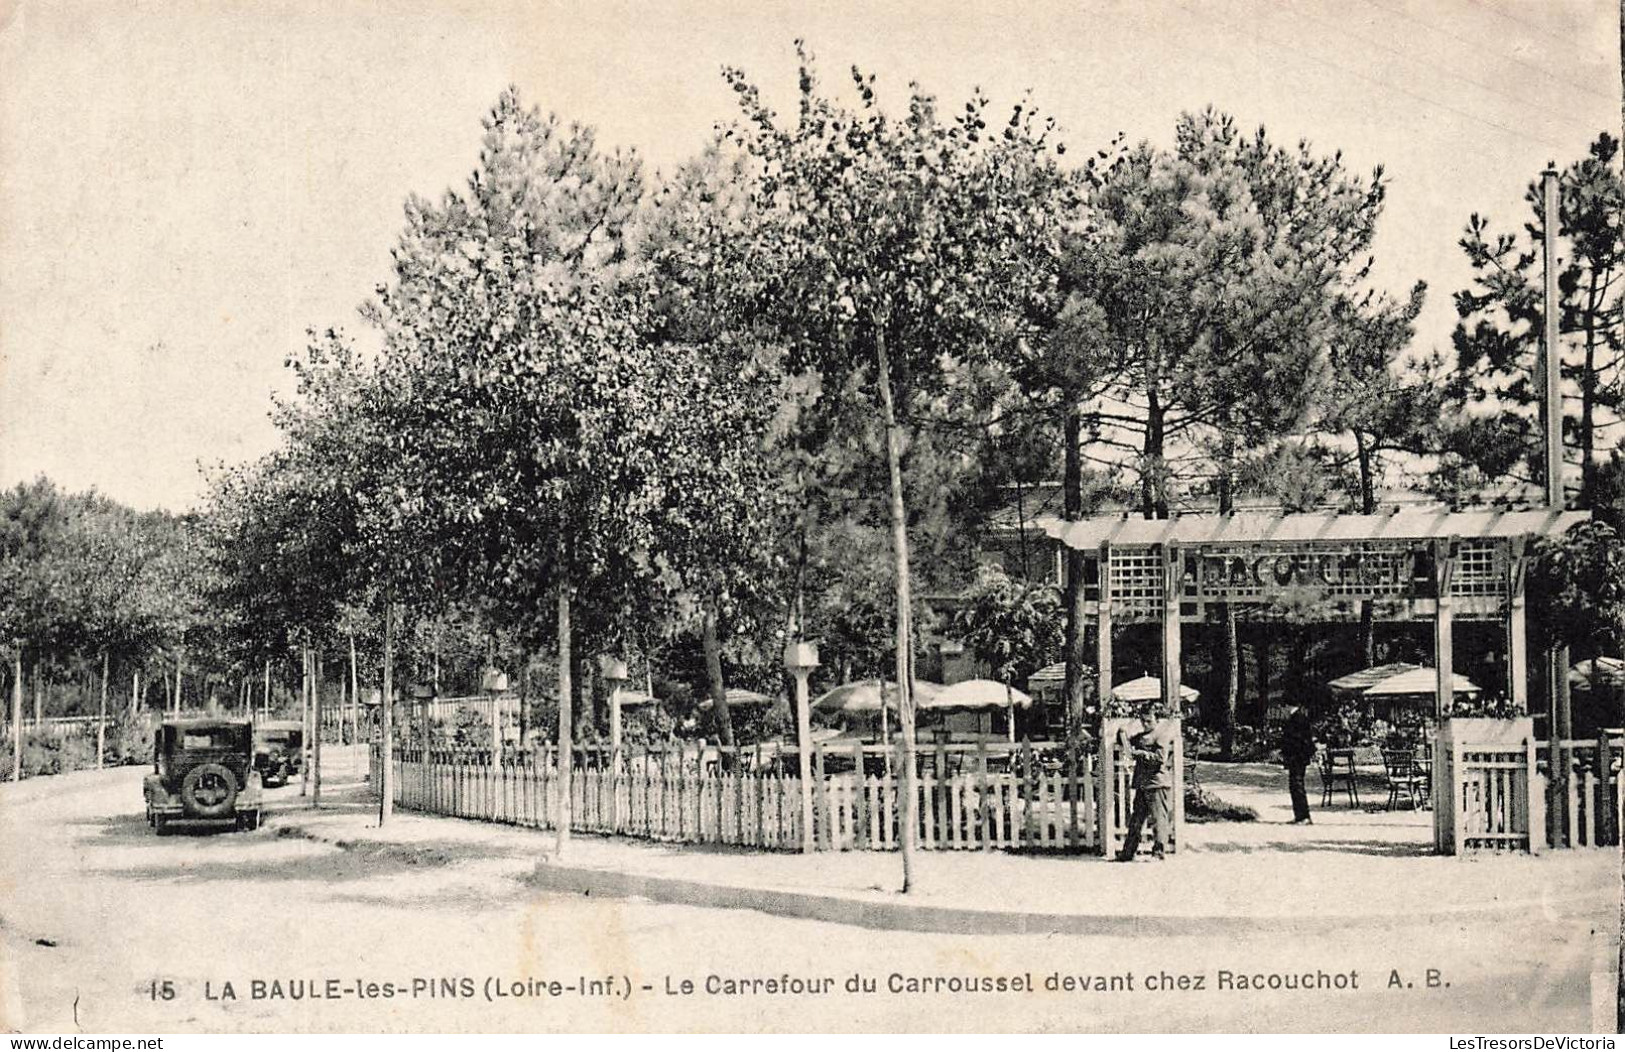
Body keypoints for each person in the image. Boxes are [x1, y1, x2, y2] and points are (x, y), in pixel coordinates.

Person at [1113, 708, 1177, 861]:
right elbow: (1125, 743)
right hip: (1142, 783)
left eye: (1149, 721)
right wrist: (1122, 732)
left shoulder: (1162, 735)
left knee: (1158, 820)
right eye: (1143, 721)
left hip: (1157, 783)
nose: (1146, 724)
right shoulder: (1142, 737)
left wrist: (1142, 754)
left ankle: (1158, 852)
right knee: (1136, 819)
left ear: (1157, 720)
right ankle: (1128, 852)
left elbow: (1161, 758)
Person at [1280, 702, 1317, 824]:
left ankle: (1304, 816)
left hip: (1297, 757)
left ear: (1287, 706)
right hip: (1297, 757)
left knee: (1297, 786)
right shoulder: (1298, 717)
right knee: (1295, 785)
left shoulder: (1297, 719)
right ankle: (1299, 815)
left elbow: (1299, 740)